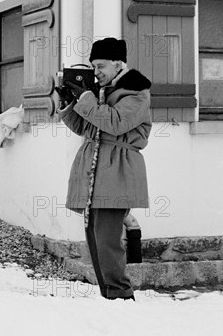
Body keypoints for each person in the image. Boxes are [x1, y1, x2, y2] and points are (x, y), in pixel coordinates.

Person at [56, 37, 151, 300]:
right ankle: (108, 294)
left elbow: (115, 123)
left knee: (108, 239)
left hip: (117, 169)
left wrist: (86, 98)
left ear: (118, 63)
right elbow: (86, 128)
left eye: (100, 66)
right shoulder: (101, 93)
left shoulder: (136, 92)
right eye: (93, 66)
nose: (95, 72)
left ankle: (120, 295)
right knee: (95, 236)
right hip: (94, 171)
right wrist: (69, 105)